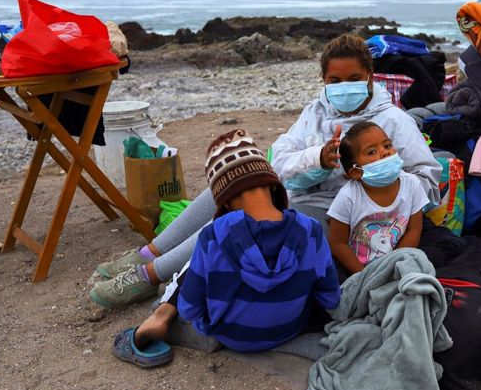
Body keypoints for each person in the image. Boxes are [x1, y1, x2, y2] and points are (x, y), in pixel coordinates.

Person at [91, 34, 440, 308]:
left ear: (369, 77)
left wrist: (381, 178)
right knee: (229, 185)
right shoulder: (314, 112)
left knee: (245, 215)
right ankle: (148, 253)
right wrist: (319, 158)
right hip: (300, 189)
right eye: (335, 79)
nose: (344, 86)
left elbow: (427, 176)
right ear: (323, 79)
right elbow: (281, 159)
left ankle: (147, 276)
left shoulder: (393, 119)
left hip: (340, 211)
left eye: (354, 78)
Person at [111, 129, 341, 367]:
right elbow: (329, 296)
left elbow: (190, 308)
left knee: (196, 272)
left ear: (226, 200)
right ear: (273, 186)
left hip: (231, 334)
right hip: (288, 329)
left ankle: (161, 315)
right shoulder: (310, 229)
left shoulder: (214, 235)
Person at [327, 121, 429, 276]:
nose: (385, 152)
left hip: (399, 260)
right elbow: (337, 243)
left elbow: (414, 231)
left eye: (387, 146)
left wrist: (394, 266)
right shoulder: (348, 197)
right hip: (358, 268)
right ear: (355, 173)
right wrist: (365, 276)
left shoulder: (412, 184)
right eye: (371, 152)